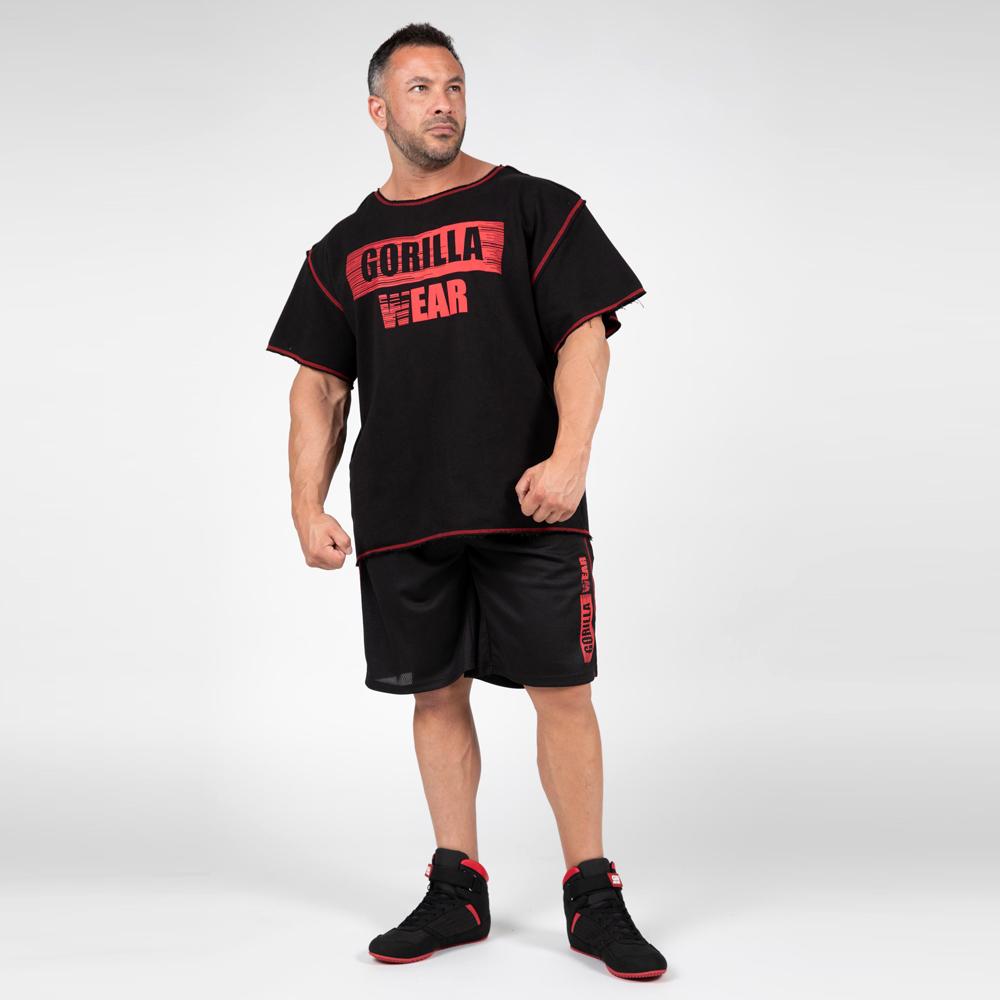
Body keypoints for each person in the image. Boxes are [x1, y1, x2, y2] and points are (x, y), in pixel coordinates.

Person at [265, 21, 666, 981]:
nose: (442, 104)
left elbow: (585, 337)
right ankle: (459, 888)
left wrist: (570, 457)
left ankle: (592, 894)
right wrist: (305, 504)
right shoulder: (344, 247)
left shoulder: (535, 206)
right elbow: (318, 386)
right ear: (378, 109)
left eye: (453, 86)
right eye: (419, 89)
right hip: (405, 512)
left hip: (530, 505)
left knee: (563, 693)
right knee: (434, 694)